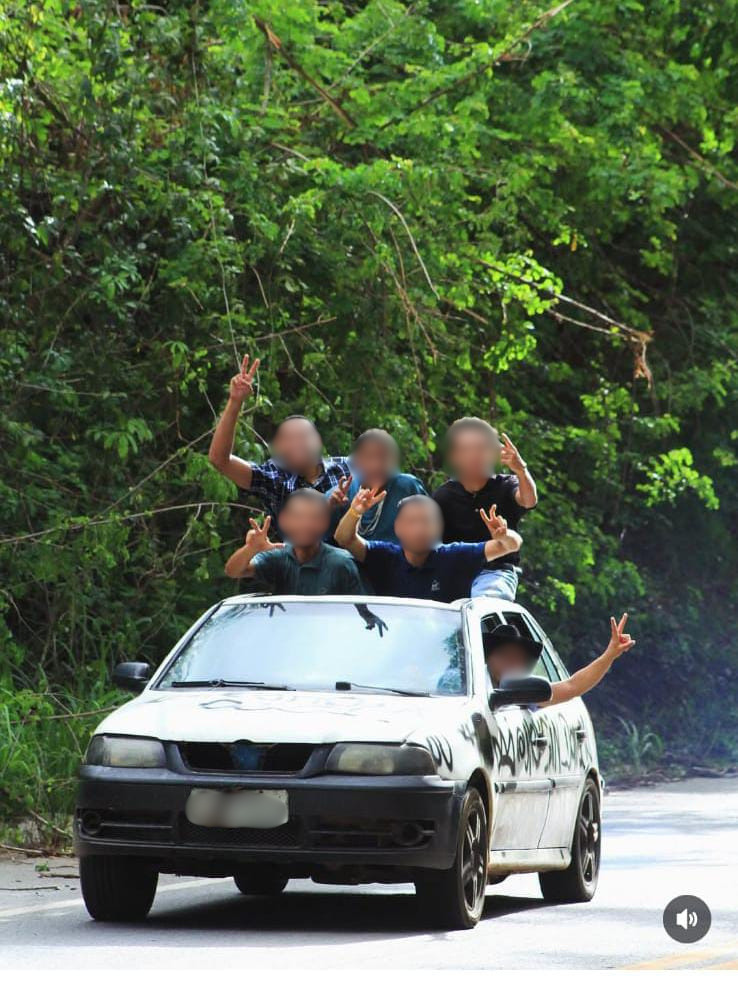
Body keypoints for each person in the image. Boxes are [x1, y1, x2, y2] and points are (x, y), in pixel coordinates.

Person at [208, 354, 350, 525]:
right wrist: (235, 401)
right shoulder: (275, 478)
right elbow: (220, 460)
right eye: (288, 438)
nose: (296, 444)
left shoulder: (347, 468)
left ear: (318, 442)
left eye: (302, 436)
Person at [335, 489, 522, 602]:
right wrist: (355, 512)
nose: (419, 529)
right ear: (398, 527)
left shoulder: (455, 555)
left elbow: (512, 545)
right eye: (411, 522)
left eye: (426, 521)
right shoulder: (384, 556)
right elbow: (344, 539)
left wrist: (504, 536)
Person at [433, 418, 538, 602]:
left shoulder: (506, 485)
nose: (474, 456)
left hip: (496, 572)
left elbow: (528, 500)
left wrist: (521, 471)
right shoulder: (444, 496)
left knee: (482, 603)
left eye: (481, 448)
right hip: (455, 574)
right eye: (466, 449)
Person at [224, 488, 364, 595]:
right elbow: (233, 571)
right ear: (285, 521)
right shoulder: (278, 556)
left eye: (313, 517)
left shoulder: (342, 563)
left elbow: (359, 612)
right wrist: (250, 548)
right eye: (298, 517)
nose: (305, 524)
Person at [484, 615, 636, 707]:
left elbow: (573, 686)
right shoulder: (475, 691)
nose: (511, 662)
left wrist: (609, 655)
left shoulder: (526, 694)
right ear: (487, 658)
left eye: (518, 657)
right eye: (504, 654)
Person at [326, 429, 427, 544]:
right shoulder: (343, 491)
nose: (376, 465)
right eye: (369, 457)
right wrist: (330, 509)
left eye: (383, 457)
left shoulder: (407, 487)